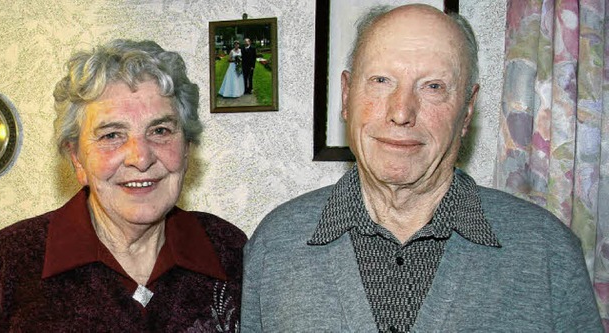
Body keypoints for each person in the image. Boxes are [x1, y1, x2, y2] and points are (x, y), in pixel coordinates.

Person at [241, 4, 602, 332]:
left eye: (433, 86)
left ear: (467, 110)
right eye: (381, 81)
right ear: (347, 97)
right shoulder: (275, 245)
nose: (401, 112)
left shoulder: (549, 252)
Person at [0, 39, 246, 331]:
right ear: (77, 158)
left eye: (160, 130)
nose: (141, 158)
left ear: (187, 148)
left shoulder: (228, 250)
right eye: (112, 135)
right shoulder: (14, 260)